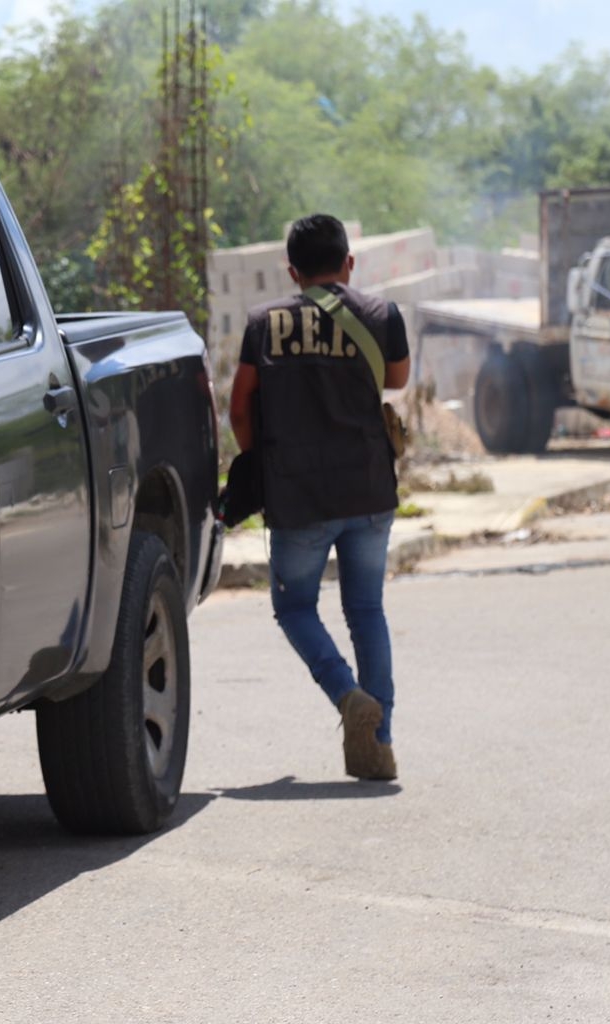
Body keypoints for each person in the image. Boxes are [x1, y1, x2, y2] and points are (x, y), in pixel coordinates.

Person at [228, 214, 410, 781]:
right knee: (367, 610)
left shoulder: (264, 323)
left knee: (295, 608)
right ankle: (377, 744)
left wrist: (259, 462)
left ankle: (346, 695)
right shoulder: (382, 314)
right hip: (369, 488)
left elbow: (238, 407)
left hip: (299, 495)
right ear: (348, 264)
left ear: (292, 271)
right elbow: (398, 379)